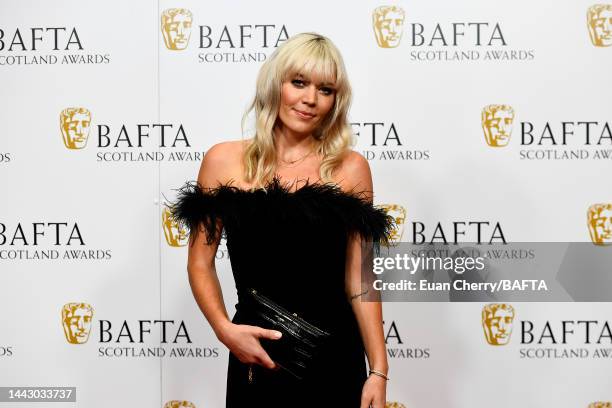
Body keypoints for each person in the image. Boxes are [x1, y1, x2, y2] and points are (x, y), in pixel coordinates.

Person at [169, 32, 394, 408]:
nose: (310, 99)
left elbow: (361, 278)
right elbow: (200, 262)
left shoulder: (351, 168)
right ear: (276, 84)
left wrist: (379, 371)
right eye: (299, 83)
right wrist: (225, 330)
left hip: (334, 356)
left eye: (325, 89)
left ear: (336, 101)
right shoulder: (223, 161)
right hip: (256, 352)